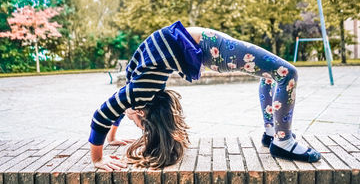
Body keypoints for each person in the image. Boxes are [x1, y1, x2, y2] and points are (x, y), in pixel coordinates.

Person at [89, 21, 321, 171]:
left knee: (276, 74)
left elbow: (105, 113)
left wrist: (102, 151)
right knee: (286, 73)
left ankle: (274, 136)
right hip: (212, 49)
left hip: (211, 47)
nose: (130, 119)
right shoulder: (140, 92)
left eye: (136, 123)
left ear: (140, 111)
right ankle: (283, 140)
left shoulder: (138, 92)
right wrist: (107, 141)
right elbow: (116, 107)